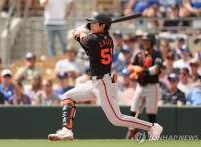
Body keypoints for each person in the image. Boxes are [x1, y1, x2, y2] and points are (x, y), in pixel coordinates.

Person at [47, 12, 163, 141]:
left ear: (102, 26)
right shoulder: (107, 39)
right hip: (94, 82)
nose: (91, 24)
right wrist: (83, 30)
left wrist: (79, 31)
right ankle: (66, 131)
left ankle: (152, 126)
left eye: (94, 23)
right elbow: (87, 43)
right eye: (91, 22)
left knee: (117, 119)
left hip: (103, 83)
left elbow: (85, 38)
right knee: (68, 96)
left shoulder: (94, 39)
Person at [127, 33, 163, 139]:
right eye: (144, 41)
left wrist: (143, 70)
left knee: (151, 113)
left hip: (152, 86)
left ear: (152, 42)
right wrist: (134, 69)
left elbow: (157, 68)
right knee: (133, 109)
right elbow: (130, 65)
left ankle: (154, 135)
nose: (146, 43)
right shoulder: (139, 54)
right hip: (140, 85)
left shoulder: (157, 54)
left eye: (148, 41)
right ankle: (132, 132)